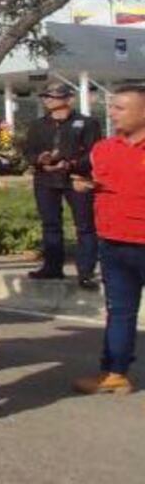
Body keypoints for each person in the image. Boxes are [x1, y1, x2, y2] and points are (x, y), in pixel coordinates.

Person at [73, 84, 145, 397]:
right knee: (119, 311)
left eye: (121, 108)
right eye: (112, 107)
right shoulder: (103, 148)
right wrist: (82, 184)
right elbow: (95, 180)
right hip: (113, 243)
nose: (112, 113)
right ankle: (115, 372)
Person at [23, 82, 102, 288]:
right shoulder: (37, 125)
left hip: (76, 179)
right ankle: (52, 267)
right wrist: (40, 160)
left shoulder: (87, 123)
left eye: (53, 96)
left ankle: (85, 272)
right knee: (50, 224)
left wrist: (71, 163)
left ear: (68, 99)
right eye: (45, 96)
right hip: (46, 180)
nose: (48, 100)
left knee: (85, 226)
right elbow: (28, 152)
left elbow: (94, 153)